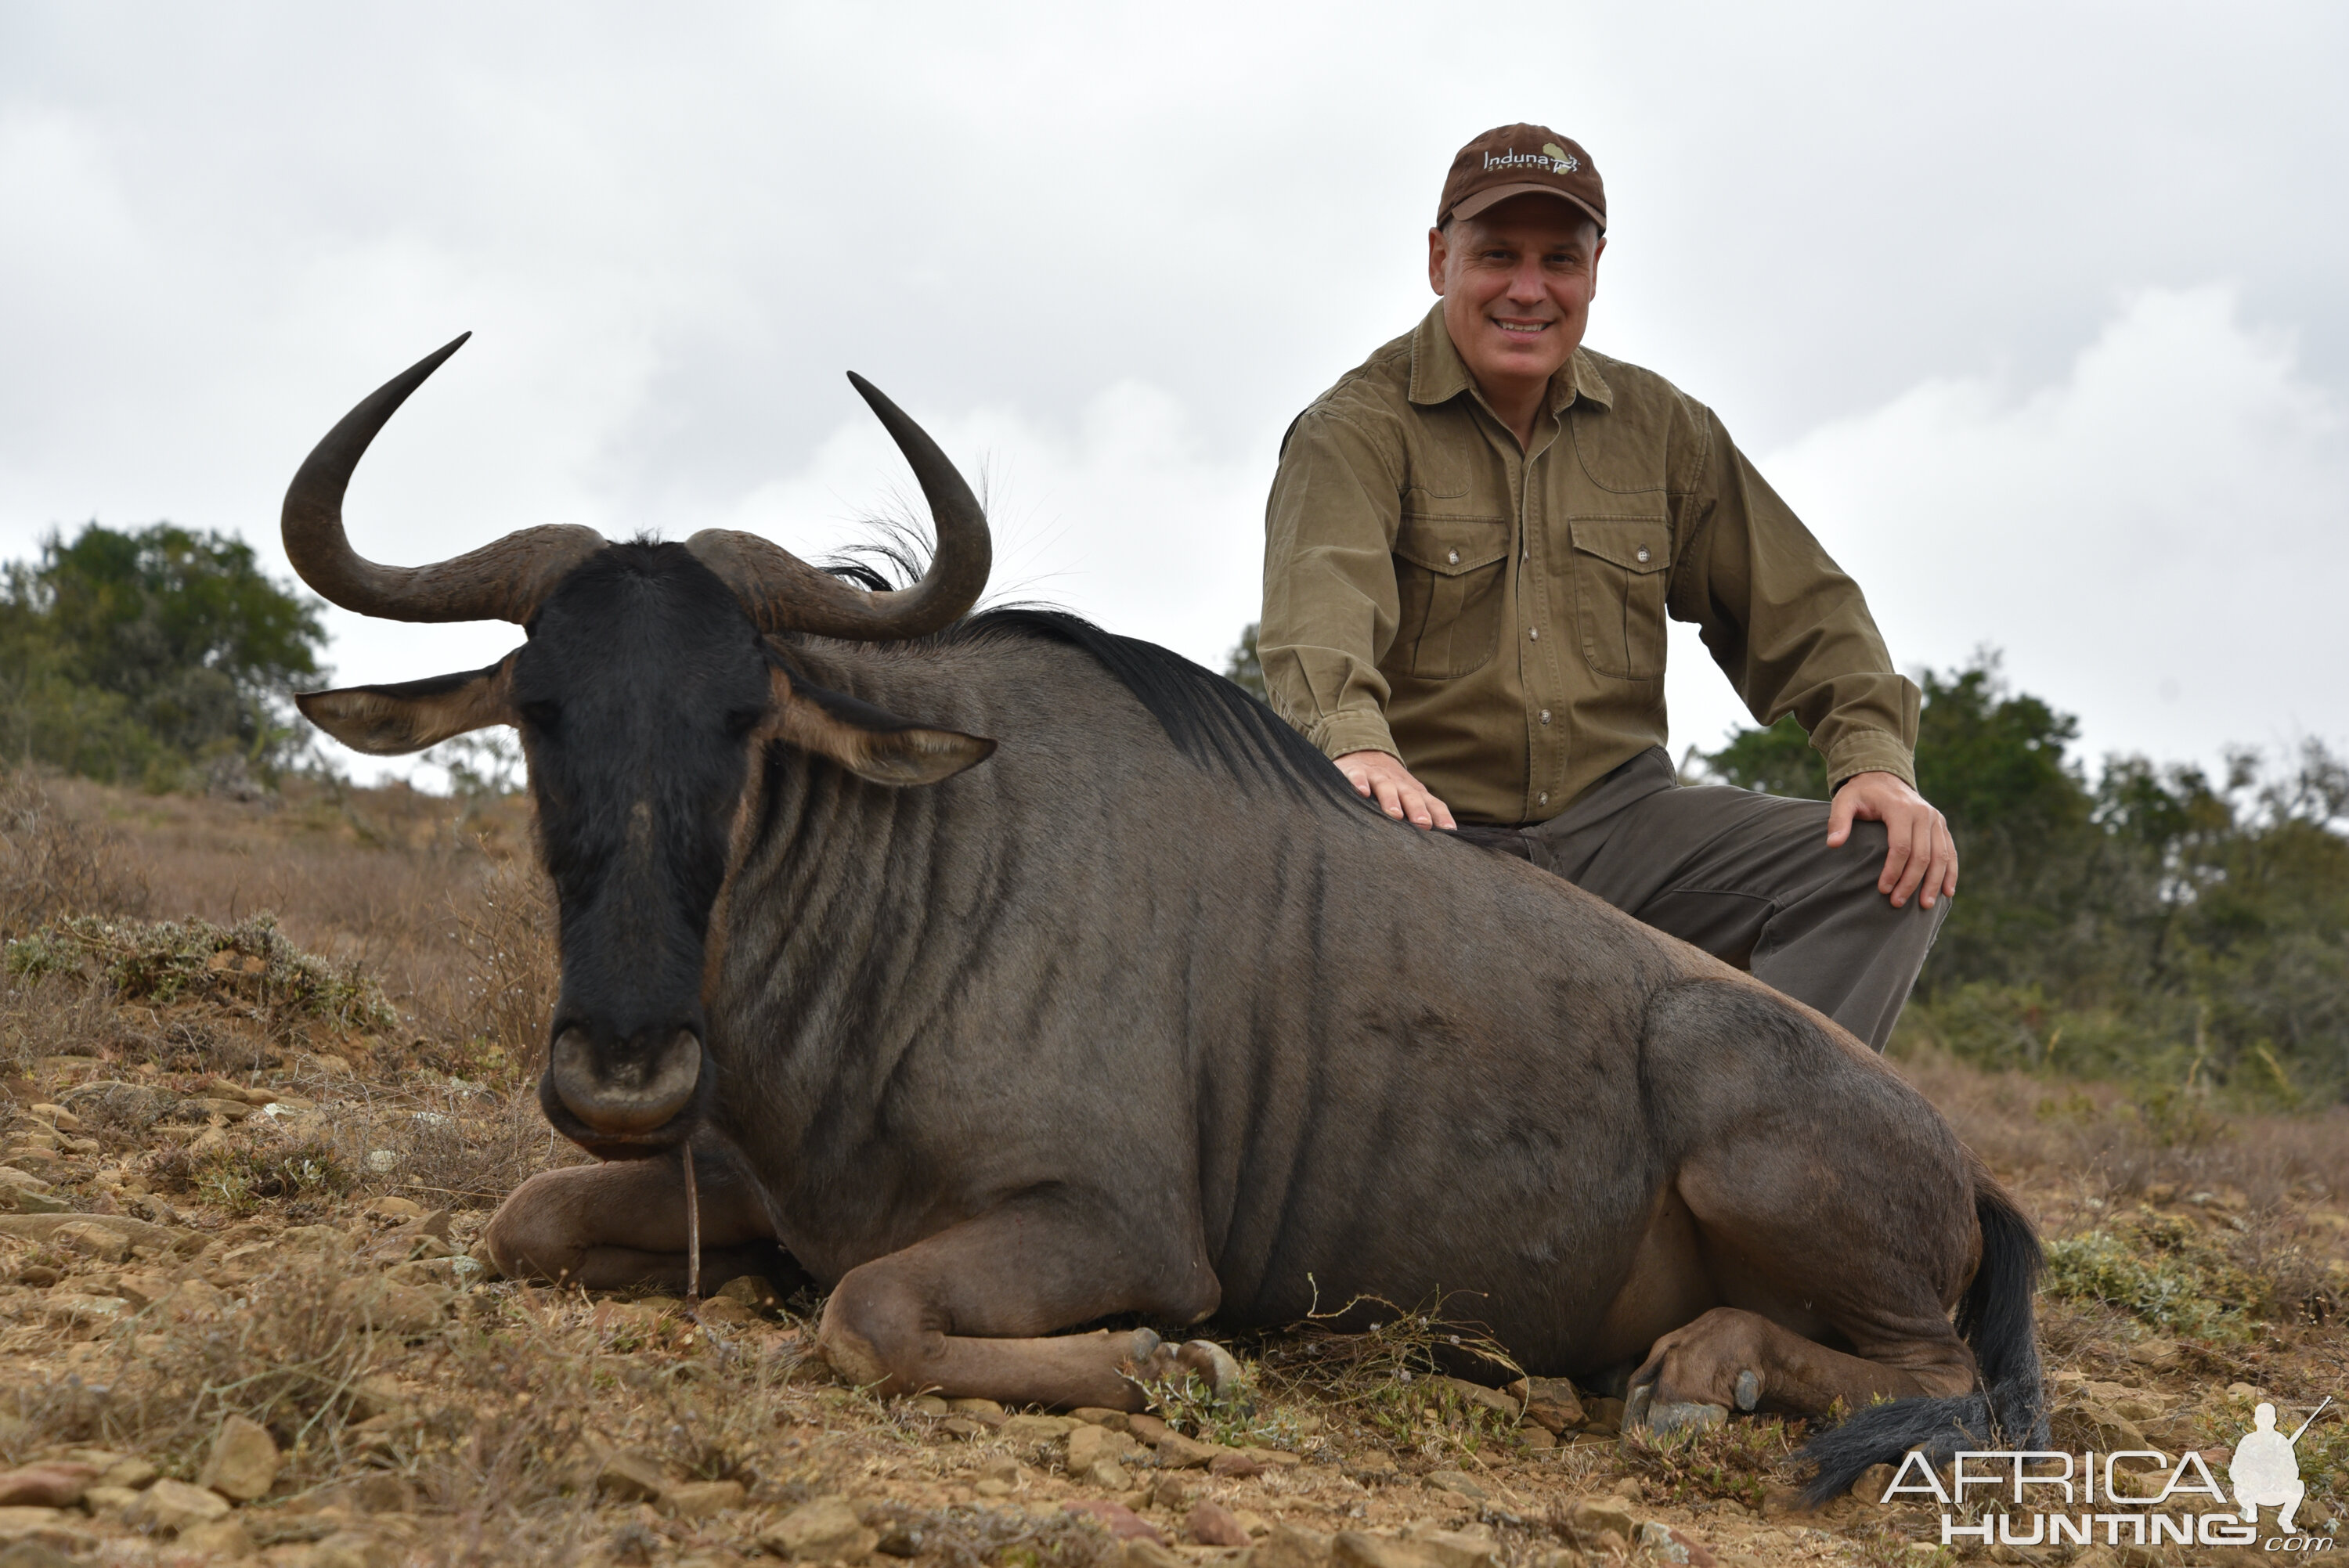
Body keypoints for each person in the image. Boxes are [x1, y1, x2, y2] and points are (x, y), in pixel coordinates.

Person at [1257, 124, 1956, 1051]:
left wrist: (1872, 757)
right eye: (1496, 255)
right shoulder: (1353, 429)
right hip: (1437, 843)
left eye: (1560, 260)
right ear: (1439, 259)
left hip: (1625, 828)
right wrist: (1355, 749)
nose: (1528, 289)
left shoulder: (1663, 429)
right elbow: (1319, 621)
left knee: (1887, 861)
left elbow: (1810, 607)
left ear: (1595, 271)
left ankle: (1758, 1144)